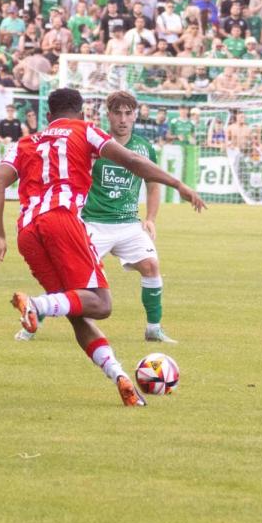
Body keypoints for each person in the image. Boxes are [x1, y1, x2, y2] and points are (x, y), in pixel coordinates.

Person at [0, 88, 206, 407]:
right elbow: (131, 160)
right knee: (102, 304)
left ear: (48, 116)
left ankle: (120, 377)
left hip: (28, 232)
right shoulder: (86, 130)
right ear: (83, 111)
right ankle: (36, 304)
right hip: (63, 221)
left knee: (78, 311)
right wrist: (178, 184)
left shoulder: (24, 142)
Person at [14, 91, 177, 344]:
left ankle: (153, 329)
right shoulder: (93, 143)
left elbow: (152, 182)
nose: (123, 119)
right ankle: (32, 321)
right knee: (69, 280)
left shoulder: (144, 147)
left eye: (128, 113)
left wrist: (151, 217)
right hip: (92, 223)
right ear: (108, 115)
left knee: (151, 266)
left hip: (128, 223)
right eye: (117, 113)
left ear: (135, 116)